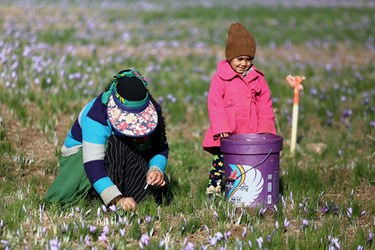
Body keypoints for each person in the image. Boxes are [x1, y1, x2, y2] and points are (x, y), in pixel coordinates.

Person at [45, 69, 169, 211]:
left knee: (155, 189)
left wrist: (156, 169)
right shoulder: (97, 115)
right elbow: (93, 164)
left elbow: (159, 147)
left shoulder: (153, 110)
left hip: (124, 154)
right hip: (83, 161)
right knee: (116, 144)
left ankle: (135, 193)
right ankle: (103, 196)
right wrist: (116, 199)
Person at [202, 23, 276, 195]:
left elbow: (265, 104)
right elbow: (215, 104)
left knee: (250, 163)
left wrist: (265, 129)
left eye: (248, 59)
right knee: (221, 163)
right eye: (239, 59)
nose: (244, 63)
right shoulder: (220, 78)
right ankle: (215, 190)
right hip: (227, 132)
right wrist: (221, 128)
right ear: (229, 57)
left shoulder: (258, 78)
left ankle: (246, 193)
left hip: (251, 131)